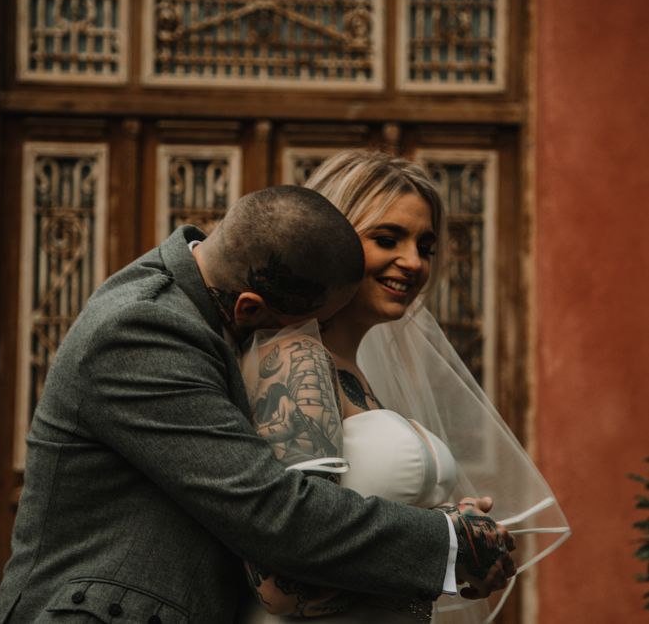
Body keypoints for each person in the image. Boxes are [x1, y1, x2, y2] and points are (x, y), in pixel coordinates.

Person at [0, 185, 515, 624]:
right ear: (249, 308)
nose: (296, 343)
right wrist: (449, 542)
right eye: (301, 325)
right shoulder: (141, 330)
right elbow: (270, 511)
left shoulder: (205, 302)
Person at [239, 151, 569, 623]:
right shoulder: (295, 361)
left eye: (425, 247)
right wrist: (444, 548)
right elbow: (281, 582)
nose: (413, 262)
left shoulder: (361, 376)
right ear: (331, 241)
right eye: (387, 239)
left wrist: (466, 538)